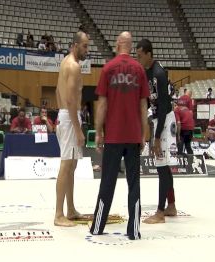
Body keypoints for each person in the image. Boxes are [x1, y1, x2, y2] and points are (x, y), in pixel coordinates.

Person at [89, 32, 148, 240]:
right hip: (132, 136)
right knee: (134, 184)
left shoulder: (107, 68)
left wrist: (98, 132)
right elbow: (143, 106)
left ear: (117, 44)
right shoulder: (139, 69)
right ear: (130, 47)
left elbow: (102, 104)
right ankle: (134, 230)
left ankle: (98, 227)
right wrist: (144, 134)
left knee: (107, 182)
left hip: (113, 136)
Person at [136, 38, 178, 224]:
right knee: (165, 165)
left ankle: (160, 212)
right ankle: (172, 205)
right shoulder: (146, 71)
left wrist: (157, 136)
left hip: (165, 121)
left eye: (139, 56)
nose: (138, 59)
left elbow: (162, 108)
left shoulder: (159, 74)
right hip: (158, 118)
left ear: (148, 54)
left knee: (161, 165)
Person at [54, 31, 89, 227]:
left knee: (72, 166)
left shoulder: (65, 62)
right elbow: (69, 100)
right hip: (69, 117)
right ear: (75, 45)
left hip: (66, 116)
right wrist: (77, 129)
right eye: (84, 46)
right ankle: (59, 214)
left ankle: (71, 209)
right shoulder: (73, 66)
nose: (87, 50)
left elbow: (59, 91)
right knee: (66, 166)